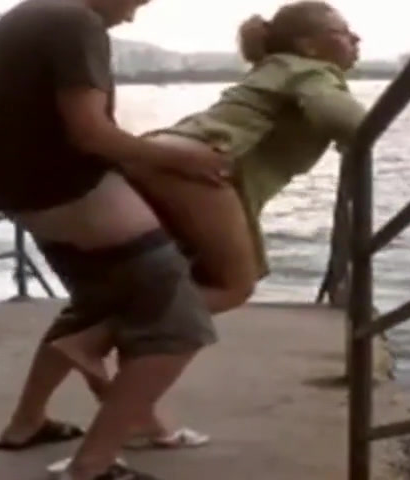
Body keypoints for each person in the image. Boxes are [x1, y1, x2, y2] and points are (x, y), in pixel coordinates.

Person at [51, 0, 369, 399]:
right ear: (308, 45)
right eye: (342, 32)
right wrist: (358, 137)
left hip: (159, 155)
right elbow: (349, 121)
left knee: (165, 285)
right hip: (199, 169)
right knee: (235, 286)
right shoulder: (311, 70)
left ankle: (102, 403)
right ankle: (93, 341)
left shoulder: (272, 69)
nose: (356, 39)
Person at [0, 0, 231, 478]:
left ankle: (26, 423)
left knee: (92, 311)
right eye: (136, 1)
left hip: (21, 196)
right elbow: (90, 132)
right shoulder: (78, 23)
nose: (131, 15)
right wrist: (181, 159)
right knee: (177, 326)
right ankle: (92, 465)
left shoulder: (24, 15)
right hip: (77, 195)